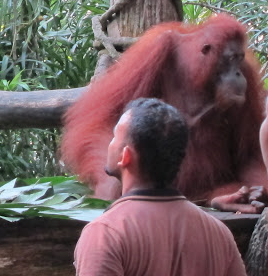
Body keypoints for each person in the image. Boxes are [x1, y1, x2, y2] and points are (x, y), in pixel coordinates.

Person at [73, 97, 247, 276]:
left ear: (125, 156)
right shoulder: (218, 234)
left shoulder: (106, 233)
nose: (110, 144)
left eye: (115, 136)